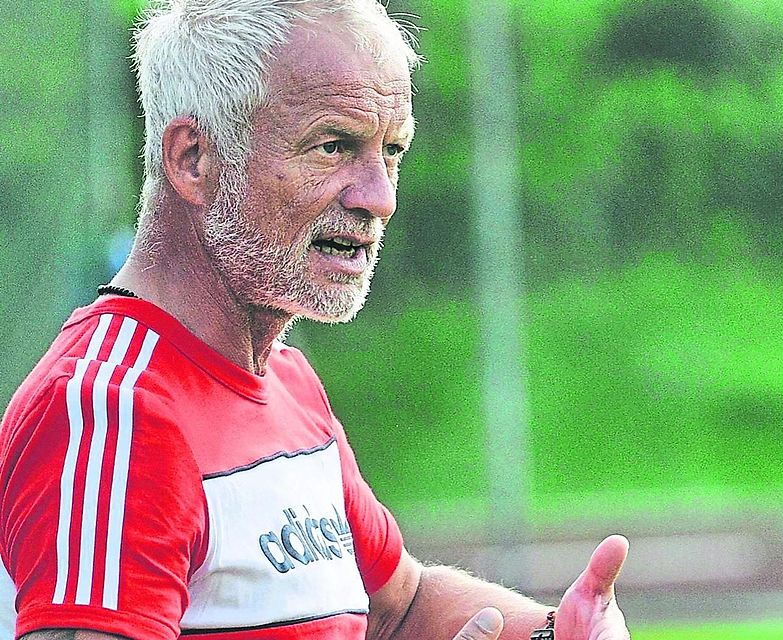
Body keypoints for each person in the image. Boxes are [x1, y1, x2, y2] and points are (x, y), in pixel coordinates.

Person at [0, 1, 631, 639]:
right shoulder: (113, 413)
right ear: (194, 158)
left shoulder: (286, 379)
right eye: (335, 146)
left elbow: (399, 607)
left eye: (391, 151)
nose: (379, 197)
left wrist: (554, 633)